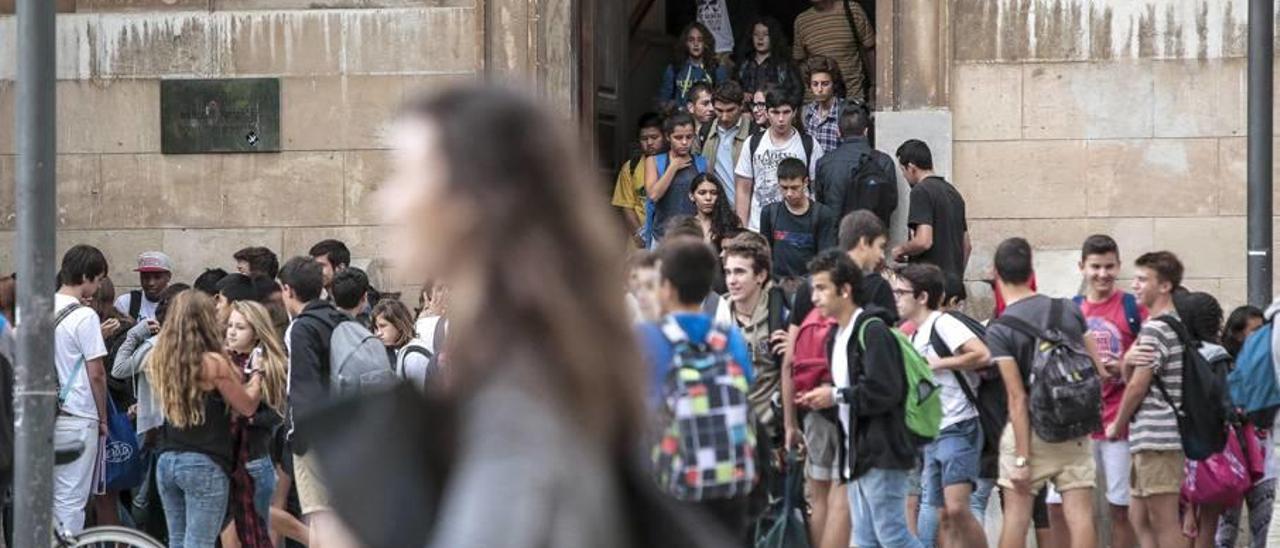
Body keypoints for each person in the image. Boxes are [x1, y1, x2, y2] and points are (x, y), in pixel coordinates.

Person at [368, 84, 699, 546]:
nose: (387, 200)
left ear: (474, 198)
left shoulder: (520, 391)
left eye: (407, 175)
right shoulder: (530, 351)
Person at [797, 249, 921, 547]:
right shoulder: (835, 338)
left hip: (882, 452)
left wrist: (835, 395)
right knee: (865, 538)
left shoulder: (873, 330)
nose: (814, 298)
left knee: (893, 536)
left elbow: (885, 391)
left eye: (822, 288)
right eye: (814, 288)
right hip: (857, 454)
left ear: (845, 290)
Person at [984, 237, 1098, 548]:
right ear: (1030, 269)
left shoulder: (1000, 328)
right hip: (1074, 428)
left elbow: (1017, 397)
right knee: (1081, 517)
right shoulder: (1068, 310)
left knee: (1017, 519)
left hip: (1030, 432)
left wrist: (1021, 459)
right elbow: (1097, 365)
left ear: (996, 272)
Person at [639, 238, 755, 536]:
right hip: (728, 473)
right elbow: (746, 385)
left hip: (671, 478)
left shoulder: (648, 336)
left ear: (666, 286)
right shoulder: (728, 337)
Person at [1049, 234, 1146, 548]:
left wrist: (1123, 367)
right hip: (1079, 423)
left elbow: (1148, 361)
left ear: (1118, 266)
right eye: (1095, 267)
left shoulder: (1133, 308)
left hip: (1120, 422)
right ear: (1082, 267)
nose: (1102, 274)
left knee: (1121, 508)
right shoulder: (1071, 310)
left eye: (1109, 267)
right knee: (1062, 503)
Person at [147, 290, 261, 548]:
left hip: (166, 458)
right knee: (199, 543)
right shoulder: (213, 363)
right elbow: (246, 406)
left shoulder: (162, 358)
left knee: (178, 539)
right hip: (204, 461)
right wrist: (258, 375)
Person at [892, 264, 990, 547]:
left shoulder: (943, 323)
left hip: (958, 426)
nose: (896, 297)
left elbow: (981, 354)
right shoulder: (915, 333)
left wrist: (939, 363)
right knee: (943, 513)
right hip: (933, 431)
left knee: (958, 508)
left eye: (901, 292)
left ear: (922, 297)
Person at [1106, 251, 1186, 548]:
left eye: (1143, 279)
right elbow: (1136, 376)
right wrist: (1127, 360)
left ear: (1164, 286)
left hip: (1158, 437)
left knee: (1164, 520)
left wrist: (1118, 423)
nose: (1135, 285)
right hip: (1151, 437)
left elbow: (1138, 386)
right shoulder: (1165, 324)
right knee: (1139, 516)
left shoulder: (1156, 328)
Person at [277, 255, 358, 547]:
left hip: (315, 436)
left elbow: (304, 386)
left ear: (288, 290)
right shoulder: (340, 319)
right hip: (345, 429)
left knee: (320, 518)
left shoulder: (301, 327)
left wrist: (297, 438)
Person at [52, 245, 111, 535]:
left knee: (44, 496)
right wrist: (103, 418)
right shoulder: (85, 316)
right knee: (71, 499)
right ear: (86, 276)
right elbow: (96, 373)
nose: (98, 286)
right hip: (77, 414)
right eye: (98, 279)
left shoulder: (37, 306)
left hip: (42, 416)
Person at [222, 300, 289, 548]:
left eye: (240, 327)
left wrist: (244, 414)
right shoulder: (221, 361)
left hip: (253, 461)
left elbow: (276, 414)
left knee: (254, 535)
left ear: (256, 332)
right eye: (230, 325)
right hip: (224, 460)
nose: (231, 331)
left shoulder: (268, 365)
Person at [713, 237, 788, 442]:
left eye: (740, 272)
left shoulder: (781, 316)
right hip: (730, 435)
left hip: (772, 435)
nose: (732, 280)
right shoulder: (716, 316)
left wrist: (794, 352)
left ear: (760, 275)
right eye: (728, 272)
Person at [1217, 304, 1275, 548]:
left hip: (1263, 456)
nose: (1262, 336)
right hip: (1230, 458)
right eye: (1255, 331)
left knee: (1265, 526)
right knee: (1224, 530)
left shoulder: (1269, 363)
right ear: (1238, 333)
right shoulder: (1222, 363)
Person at [735, 86, 824, 230]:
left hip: (799, 228)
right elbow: (743, 189)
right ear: (767, 112)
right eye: (775, 112)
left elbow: (816, 189)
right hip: (759, 228)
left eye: (786, 112)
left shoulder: (809, 144)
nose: (781, 119)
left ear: (794, 112)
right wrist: (742, 229)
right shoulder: (752, 143)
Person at [891, 139, 970, 280]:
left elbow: (924, 241)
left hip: (930, 284)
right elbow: (967, 246)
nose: (904, 176)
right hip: (953, 283)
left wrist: (901, 249)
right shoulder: (954, 193)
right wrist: (956, 279)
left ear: (911, 167)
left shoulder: (920, 191)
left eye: (903, 170)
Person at [815, 105, 897, 229]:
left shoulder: (824, 163)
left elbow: (820, 202)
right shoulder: (883, 161)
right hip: (872, 238)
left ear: (838, 132)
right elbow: (891, 203)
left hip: (835, 236)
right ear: (866, 131)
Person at [758, 157, 838, 283]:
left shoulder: (822, 214)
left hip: (808, 286)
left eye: (794, 188)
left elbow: (826, 259)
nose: (789, 193)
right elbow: (763, 255)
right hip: (777, 284)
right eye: (784, 188)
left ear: (805, 182)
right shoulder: (769, 213)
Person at [793, 0, 876, 102]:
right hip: (817, 102)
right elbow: (800, 62)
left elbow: (869, 49)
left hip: (852, 98)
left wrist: (875, 84)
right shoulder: (801, 21)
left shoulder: (852, 10)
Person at [646, 112, 707, 243]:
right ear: (668, 137)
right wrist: (673, 167)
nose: (684, 142)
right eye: (678, 137)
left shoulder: (701, 163)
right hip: (661, 237)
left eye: (689, 137)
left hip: (694, 237)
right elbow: (653, 195)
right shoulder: (655, 161)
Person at [613, 112, 666, 248]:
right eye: (644, 138)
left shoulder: (673, 164)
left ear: (666, 137)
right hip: (640, 243)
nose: (649, 143)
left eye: (654, 137)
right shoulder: (631, 167)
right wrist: (639, 234)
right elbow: (626, 205)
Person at [656, 21, 730, 111]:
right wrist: (670, 107)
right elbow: (663, 101)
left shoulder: (717, 69)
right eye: (691, 40)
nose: (696, 44)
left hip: (708, 121)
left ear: (706, 43)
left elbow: (724, 102)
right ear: (685, 43)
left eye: (700, 40)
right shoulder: (674, 69)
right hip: (680, 120)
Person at [702, 81, 752, 209]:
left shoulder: (754, 133)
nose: (724, 117)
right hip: (717, 210)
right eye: (719, 110)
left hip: (748, 209)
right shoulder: (705, 132)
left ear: (741, 105)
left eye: (730, 110)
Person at [736, 16, 803, 106]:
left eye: (765, 34)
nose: (760, 38)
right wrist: (741, 95)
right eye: (756, 34)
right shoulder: (744, 64)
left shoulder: (783, 65)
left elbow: (796, 92)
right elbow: (733, 89)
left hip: (776, 113)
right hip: (747, 113)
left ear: (774, 37)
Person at [372, 299, 433, 391]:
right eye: (376, 328)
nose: (378, 333)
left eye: (383, 326)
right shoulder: (401, 351)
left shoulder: (414, 357)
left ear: (398, 324)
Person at [801, 55, 847, 153]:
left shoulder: (845, 111)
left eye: (825, 84)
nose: (820, 89)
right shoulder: (807, 112)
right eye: (815, 84)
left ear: (833, 84)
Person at [690, 173, 742, 254]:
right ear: (691, 196)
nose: (708, 198)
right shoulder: (687, 225)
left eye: (713, 193)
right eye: (702, 193)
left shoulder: (732, 221)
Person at [115, 251, 173, 321]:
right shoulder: (126, 302)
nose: (151, 283)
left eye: (157, 277)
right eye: (146, 277)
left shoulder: (178, 304)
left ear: (168, 277)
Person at [627, 252, 663, 324]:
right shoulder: (625, 302)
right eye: (635, 277)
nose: (639, 282)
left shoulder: (660, 301)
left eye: (648, 282)